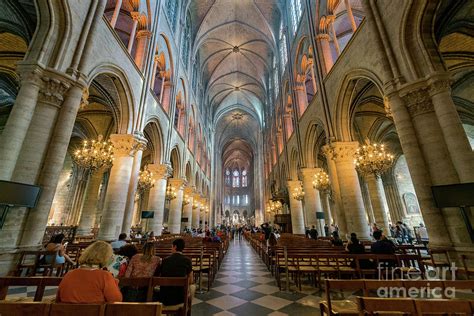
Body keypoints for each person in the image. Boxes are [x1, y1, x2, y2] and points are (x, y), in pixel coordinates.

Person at [56, 241, 122, 303]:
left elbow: (58, 298)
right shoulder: (104, 276)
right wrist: (115, 283)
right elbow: (116, 300)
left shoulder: (69, 274)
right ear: (106, 258)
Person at [156, 238, 193, 306]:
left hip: (164, 297)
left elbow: (159, 276)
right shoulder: (187, 260)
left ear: (175, 246)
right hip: (180, 298)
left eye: (171, 246)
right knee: (192, 288)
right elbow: (190, 280)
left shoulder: (165, 260)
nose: (171, 248)